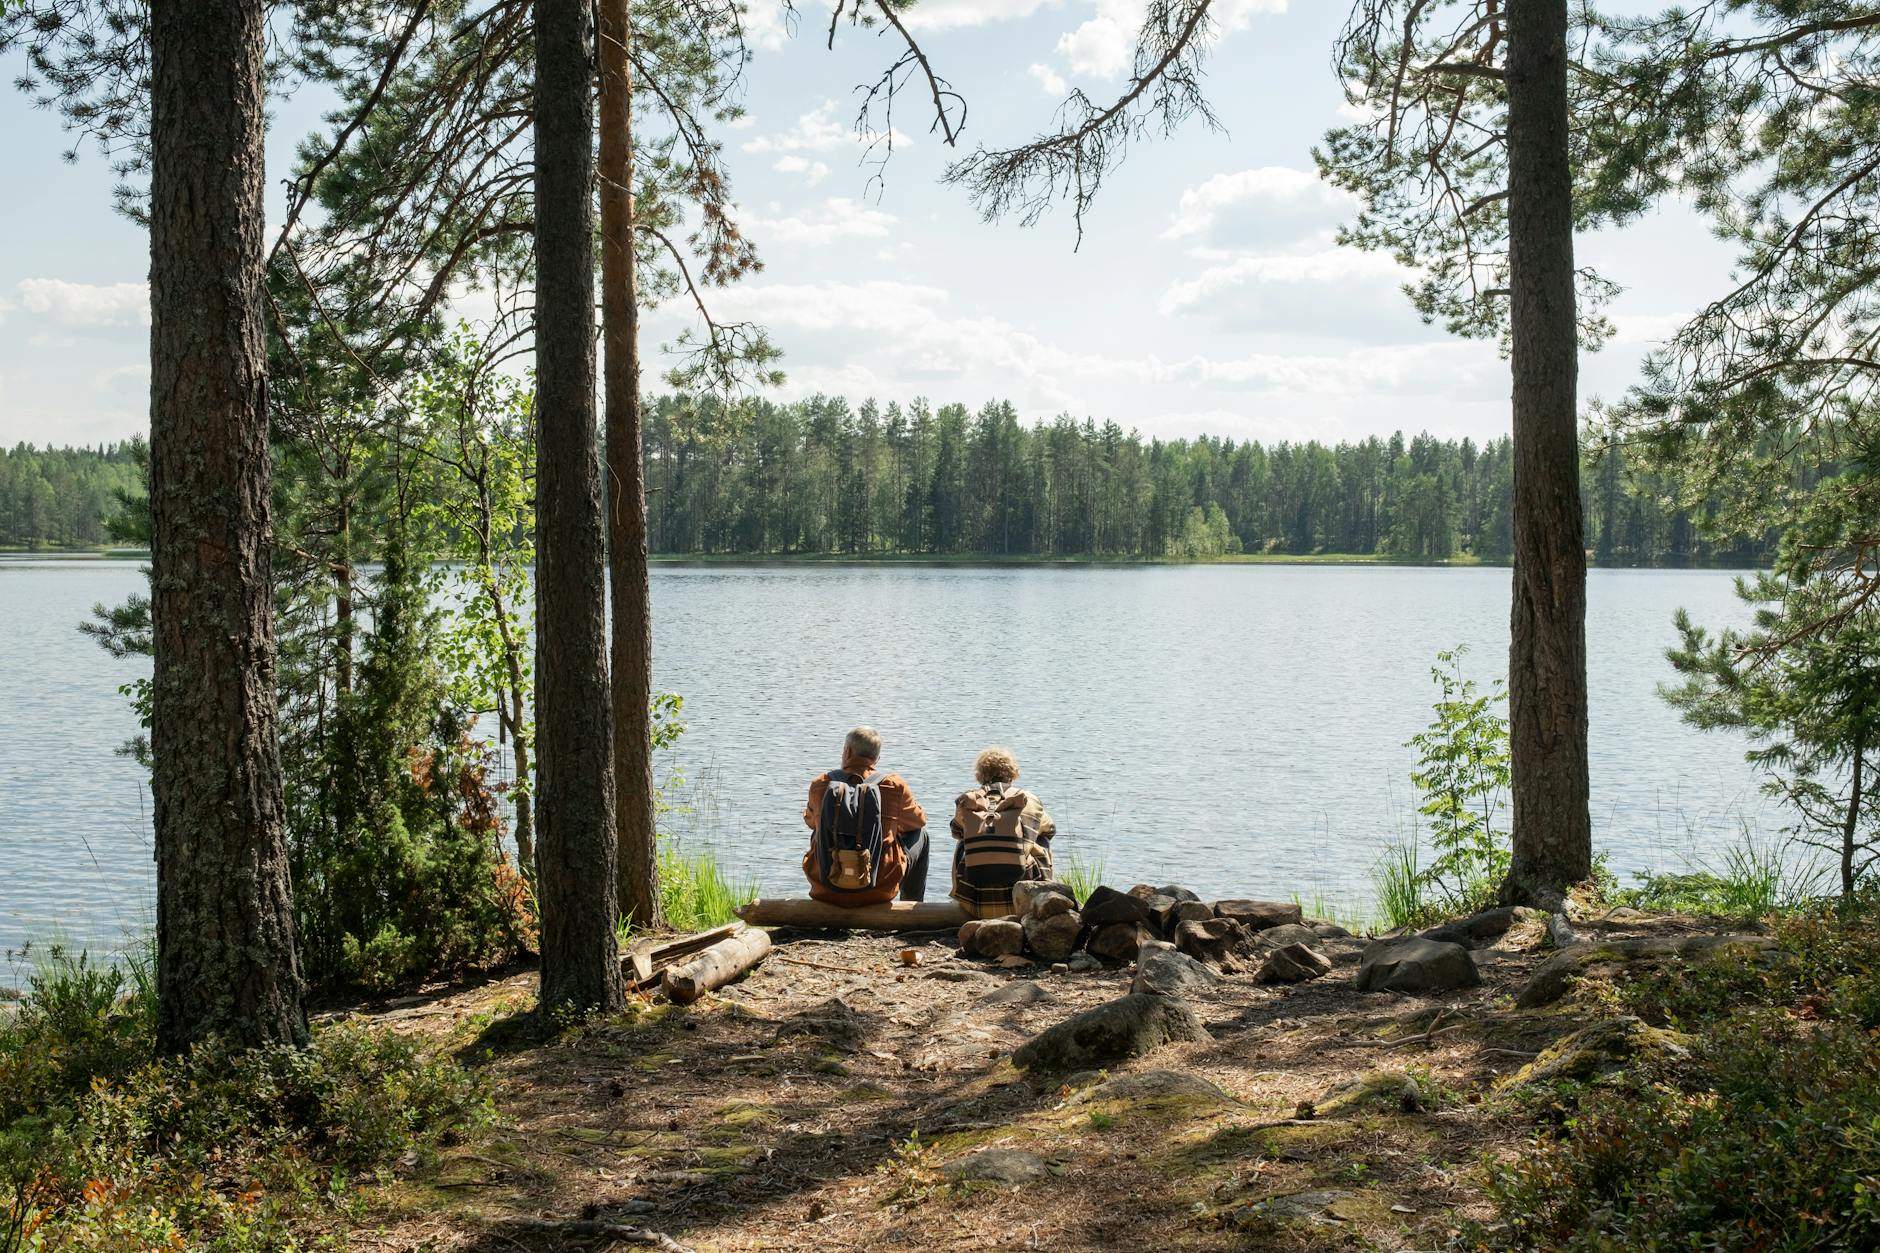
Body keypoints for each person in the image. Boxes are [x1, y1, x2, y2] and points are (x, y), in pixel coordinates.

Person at [802, 726, 930, 906]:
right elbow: (918, 821)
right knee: (921, 834)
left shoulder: (821, 784)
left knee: (818, 830)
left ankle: (834, 880)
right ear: (877, 758)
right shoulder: (894, 785)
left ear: (847, 751)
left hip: (826, 888)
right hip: (878, 888)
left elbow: (809, 820)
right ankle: (913, 908)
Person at [949, 747, 1056, 918]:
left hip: (974, 903)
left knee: (963, 839)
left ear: (979, 775)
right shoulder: (1028, 799)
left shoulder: (969, 801)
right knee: (1041, 839)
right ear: (1013, 773)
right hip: (1023, 903)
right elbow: (1051, 830)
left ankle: (958, 893)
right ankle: (1047, 890)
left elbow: (955, 830)